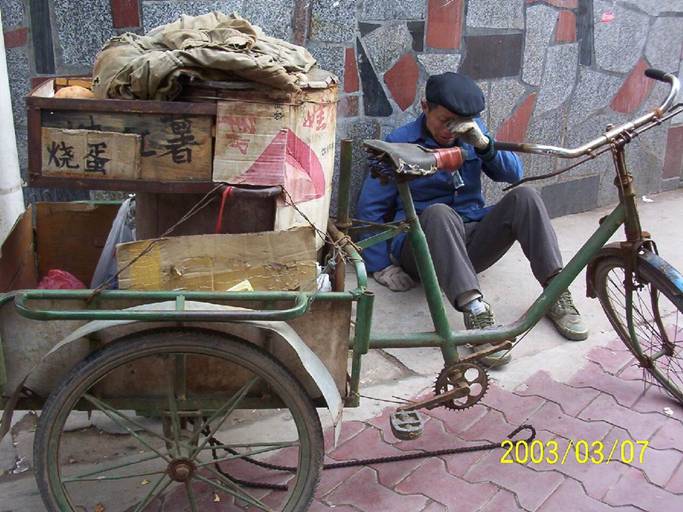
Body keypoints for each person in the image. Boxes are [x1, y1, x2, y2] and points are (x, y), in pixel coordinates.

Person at [356, 72, 588, 368]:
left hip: (470, 240)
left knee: (526, 196)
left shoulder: (473, 133)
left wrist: (484, 145)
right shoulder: (398, 142)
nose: (450, 130)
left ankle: (557, 291)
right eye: (445, 120)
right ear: (425, 107)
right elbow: (370, 206)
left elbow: (513, 175)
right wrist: (380, 265)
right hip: (423, 247)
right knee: (439, 212)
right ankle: (475, 311)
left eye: (459, 123)